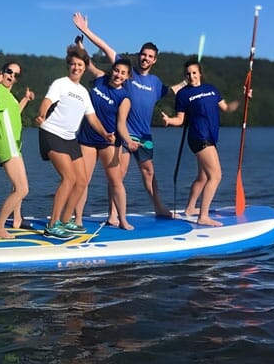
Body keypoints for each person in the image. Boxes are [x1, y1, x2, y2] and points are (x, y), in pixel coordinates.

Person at [73, 12, 183, 219]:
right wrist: (85, 31)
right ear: (139, 55)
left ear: (154, 60)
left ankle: (159, 207)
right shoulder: (125, 72)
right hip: (123, 133)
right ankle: (113, 214)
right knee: (118, 175)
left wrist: (189, 82)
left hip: (144, 135)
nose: (146, 58)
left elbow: (173, 91)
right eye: (144, 54)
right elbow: (105, 48)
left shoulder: (156, 83)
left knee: (149, 172)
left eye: (150, 56)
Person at [36, 44, 115, 239]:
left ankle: (65, 220)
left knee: (81, 181)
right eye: (73, 64)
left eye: (80, 65)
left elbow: (92, 118)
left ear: (84, 67)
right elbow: (47, 102)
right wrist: (41, 114)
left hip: (70, 138)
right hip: (52, 133)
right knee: (69, 178)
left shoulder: (84, 93)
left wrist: (105, 134)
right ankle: (52, 225)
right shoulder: (60, 84)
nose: (76, 68)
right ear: (69, 65)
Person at [161, 58, 243, 227]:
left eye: (194, 73)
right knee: (216, 176)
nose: (191, 76)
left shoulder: (211, 89)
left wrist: (243, 98)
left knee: (203, 176)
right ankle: (203, 216)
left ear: (200, 74)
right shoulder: (183, 94)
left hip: (210, 137)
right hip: (199, 137)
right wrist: (169, 120)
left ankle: (190, 208)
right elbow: (180, 120)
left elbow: (227, 108)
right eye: (188, 74)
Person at [75, 45, 137, 231]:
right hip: (87, 138)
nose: (118, 74)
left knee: (115, 181)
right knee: (82, 180)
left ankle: (122, 219)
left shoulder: (124, 98)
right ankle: (77, 219)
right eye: (117, 70)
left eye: (123, 73)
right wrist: (81, 47)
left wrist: (128, 141)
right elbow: (88, 64)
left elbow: (121, 125)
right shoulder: (100, 79)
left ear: (127, 77)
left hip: (109, 141)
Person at [0, 62, 36, 238]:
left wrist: (25, 99)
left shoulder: (8, 95)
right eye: (9, 72)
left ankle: (17, 219)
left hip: (15, 145)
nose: (12, 76)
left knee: (17, 185)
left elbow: (14, 112)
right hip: (7, 145)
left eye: (16, 75)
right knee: (22, 189)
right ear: (1, 73)